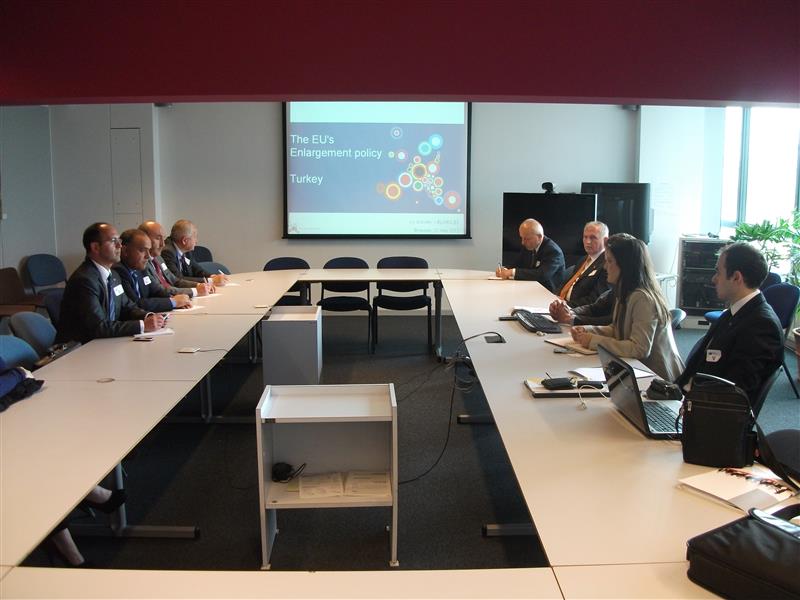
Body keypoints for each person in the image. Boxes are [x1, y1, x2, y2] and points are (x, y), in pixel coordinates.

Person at [675, 242, 784, 403]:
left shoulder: (762, 325)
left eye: (718, 272)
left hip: (705, 410)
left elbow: (735, 391)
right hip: (688, 400)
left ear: (736, 277)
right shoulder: (733, 313)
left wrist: (684, 402)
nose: (713, 279)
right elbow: (698, 365)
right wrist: (671, 391)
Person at [569, 233, 683, 381]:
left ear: (625, 266)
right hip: (636, 369)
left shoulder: (642, 298)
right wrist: (587, 330)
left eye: (610, 261)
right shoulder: (625, 291)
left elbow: (639, 349)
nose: (605, 266)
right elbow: (617, 329)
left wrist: (593, 341)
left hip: (657, 379)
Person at [56, 223, 165, 344]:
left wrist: (148, 316)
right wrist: (142, 325)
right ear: (95, 247)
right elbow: (98, 327)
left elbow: (127, 307)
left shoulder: (113, 276)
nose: (119, 246)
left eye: (119, 241)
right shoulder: (84, 280)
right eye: (113, 241)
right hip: (82, 347)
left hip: (105, 342)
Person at [113, 229, 192, 312]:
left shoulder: (140, 269)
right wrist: (172, 302)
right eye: (142, 250)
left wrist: (176, 299)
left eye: (148, 250)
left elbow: (156, 291)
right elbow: (135, 304)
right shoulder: (118, 271)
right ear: (125, 251)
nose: (148, 256)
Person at [138, 221, 213, 297]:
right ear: (145, 239)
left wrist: (199, 285)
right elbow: (158, 290)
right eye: (158, 238)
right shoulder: (141, 263)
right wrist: (195, 291)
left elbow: (174, 280)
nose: (163, 244)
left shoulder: (158, 258)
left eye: (163, 238)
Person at [495, 218, 565, 292]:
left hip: (548, 292)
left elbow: (542, 275)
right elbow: (518, 264)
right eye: (522, 238)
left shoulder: (553, 251)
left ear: (539, 237)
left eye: (527, 239)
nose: (522, 242)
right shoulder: (528, 246)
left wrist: (512, 272)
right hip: (530, 288)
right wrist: (505, 270)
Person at [557, 221, 611, 307]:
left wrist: (566, 305)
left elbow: (595, 300)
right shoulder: (583, 259)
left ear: (605, 240)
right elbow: (567, 283)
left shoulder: (608, 264)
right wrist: (555, 298)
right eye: (585, 237)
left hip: (576, 310)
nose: (588, 241)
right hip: (562, 304)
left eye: (593, 237)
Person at [161, 219, 228, 286]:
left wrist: (212, 276)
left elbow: (197, 269)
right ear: (184, 241)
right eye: (195, 237)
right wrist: (210, 280)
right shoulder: (167, 252)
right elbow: (177, 279)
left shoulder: (185, 248)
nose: (196, 241)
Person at [550, 288, 614, 326]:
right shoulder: (615, 289)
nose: (606, 269)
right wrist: (568, 312)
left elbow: (608, 322)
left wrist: (570, 319)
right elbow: (594, 308)